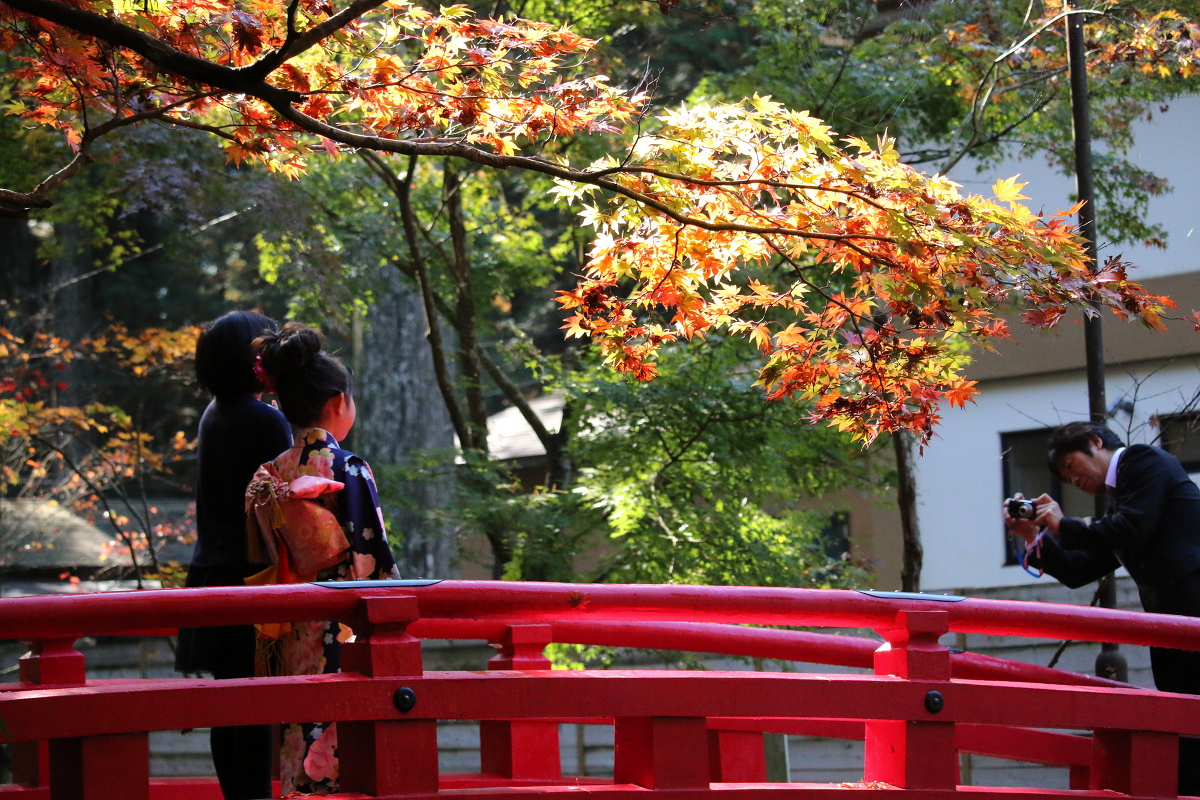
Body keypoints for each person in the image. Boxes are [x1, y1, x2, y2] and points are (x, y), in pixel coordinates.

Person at [1005, 420, 1200, 796]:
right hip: (1171, 625)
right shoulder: (1120, 505)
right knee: (1183, 720)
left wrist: (1063, 524)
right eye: (1064, 474)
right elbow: (1079, 570)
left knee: (1188, 717)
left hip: (1192, 609)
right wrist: (1034, 535)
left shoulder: (1143, 461)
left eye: (1070, 464)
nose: (1071, 478)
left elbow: (1132, 528)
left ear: (1096, 443)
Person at [245, 322, 399, 796]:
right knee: (344, 740)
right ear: (338, 402)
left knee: (301, 730)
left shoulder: (268, 475)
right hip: (342, 627)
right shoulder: (347, 468)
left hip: (293, 625)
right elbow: (372, 562)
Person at [176, 311, 292, 800]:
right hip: (251, 578)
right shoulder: (265, 420)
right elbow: (283, 506)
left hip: (211, 573)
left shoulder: (215, 413)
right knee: (259, 705)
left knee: (230, 707)